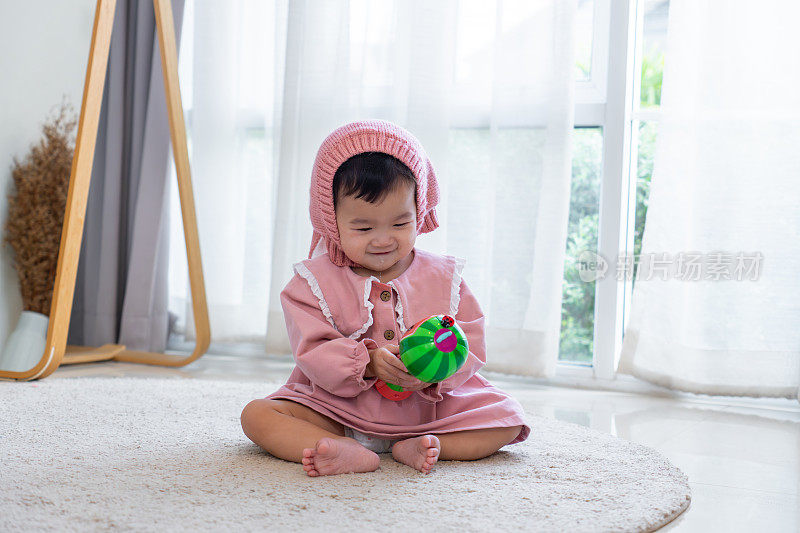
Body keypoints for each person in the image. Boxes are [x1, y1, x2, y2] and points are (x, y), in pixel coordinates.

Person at [240, 119, 530, 477]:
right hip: (337, 408)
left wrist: (435, 374)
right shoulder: (312, 282)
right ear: (331, 220)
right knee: (257, 416)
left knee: (507, 419)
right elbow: (312, 351)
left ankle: (427, 445)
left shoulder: (444, 277)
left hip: (429, 411)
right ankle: (342, 448)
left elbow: (470, 342)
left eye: (400, 224)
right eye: (363, 228)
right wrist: (368, 362)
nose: (382, 240)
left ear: (419, 212)